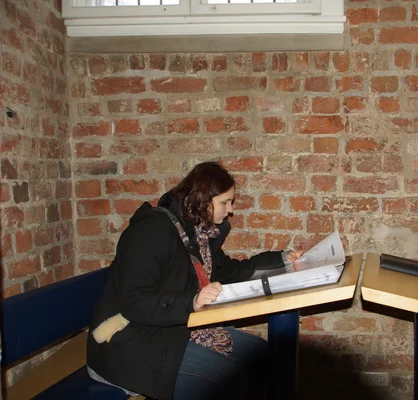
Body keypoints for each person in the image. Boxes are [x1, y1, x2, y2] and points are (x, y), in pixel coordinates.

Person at [87, 161, 303, 400]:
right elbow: (134, 302)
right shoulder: (151, 232)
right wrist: (191, 302)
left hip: (172, 331)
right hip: (128, 344)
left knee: (261, 355)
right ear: (202, 199)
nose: (230, 210)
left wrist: (282, 260)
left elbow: (229, 271)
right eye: (224, 202)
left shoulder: (197, 233)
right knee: (229, 380)